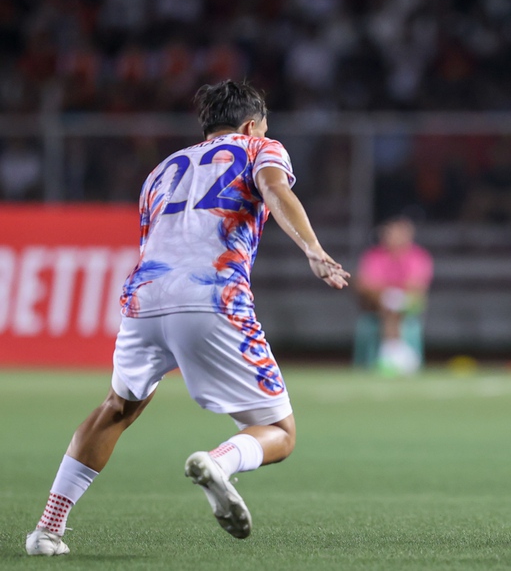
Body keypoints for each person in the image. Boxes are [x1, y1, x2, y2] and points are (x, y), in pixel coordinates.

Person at [25, 80, 350, 556]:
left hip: (143, 297)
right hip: (211, 296)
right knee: (280, 433)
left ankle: (46, 529)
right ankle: (219, 462)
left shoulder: (160, 171)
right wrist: (314, 249)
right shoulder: (260, 147)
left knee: (118, 407)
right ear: (250, 124)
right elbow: (275, 187)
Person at [354, 216, 433, 375]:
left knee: (394, 304)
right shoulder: (374, 255)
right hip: (377, 304)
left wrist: (394, 296)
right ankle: (395, 354)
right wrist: (387, 295)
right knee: (388, 304)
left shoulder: (418, 256)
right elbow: (365, 285)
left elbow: (417, 287)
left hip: (408, 304)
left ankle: (389, 355)